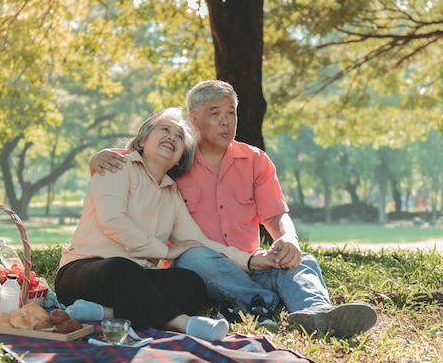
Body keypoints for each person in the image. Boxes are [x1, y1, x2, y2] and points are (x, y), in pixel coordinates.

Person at [89, 81, 377, 339]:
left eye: (231, 113)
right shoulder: (176, 161)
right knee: (194, 256)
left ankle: (318, 313)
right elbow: (141, 158)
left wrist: (288, 239)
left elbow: (275, 214)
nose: (226, 121)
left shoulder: (255, 160)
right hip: (201, 269)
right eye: (215, 113)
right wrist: (100, 157)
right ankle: (266, 301)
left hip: (252, 263)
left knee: (300, 260)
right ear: (194, 118)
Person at [56, 107, 255, 342]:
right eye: (165, 129)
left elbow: (199, 241)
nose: (172, 137)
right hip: (84, 272)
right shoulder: (115, 166)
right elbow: (114, 221)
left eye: (179, 136)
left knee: (190, 284)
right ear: (142, 140)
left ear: (182, 154)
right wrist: (165, 251)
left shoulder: (172, 195)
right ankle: (185, 324)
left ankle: (102, 312)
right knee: (120, 268)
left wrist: (250, 260)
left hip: (135, 279)